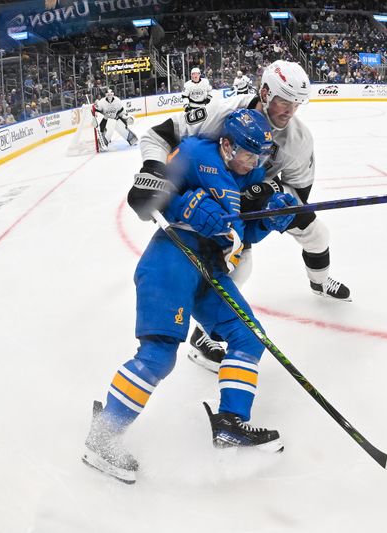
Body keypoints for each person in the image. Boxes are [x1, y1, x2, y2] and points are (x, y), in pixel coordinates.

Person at [82, 109, 298, 484]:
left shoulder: (249, 175)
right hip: (173, 255)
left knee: (248, 338)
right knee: (159, 354)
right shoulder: (197, 152)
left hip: (211, 270)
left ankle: (231, 422)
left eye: (261, 156)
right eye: (250, 153)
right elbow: (148, 196)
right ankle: (102, 436)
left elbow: (241, 234)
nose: (255, 162)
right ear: (227, 145)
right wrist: (187, 207)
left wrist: (269, 220)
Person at [134, 60, 352, 370]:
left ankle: (320, 281)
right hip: (215, 196)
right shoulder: (222, 112)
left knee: (319, 234)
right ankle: (203, 335)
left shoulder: (299, 141)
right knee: (238, 268)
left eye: (297, 104)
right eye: (284, 101)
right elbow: (157, 136)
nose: (290, 111)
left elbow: (299, 196)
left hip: (258, 202)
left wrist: (269, 200)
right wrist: (153, 171)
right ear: (264, 92)